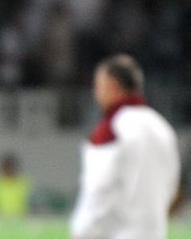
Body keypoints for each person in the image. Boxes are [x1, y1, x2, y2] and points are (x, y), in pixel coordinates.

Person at [70, 53, 181, 239]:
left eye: (98, 86)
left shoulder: (111, 129)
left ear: (112, 85)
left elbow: (98, 189)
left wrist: (82, 232)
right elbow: (172, 184)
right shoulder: (162, 127)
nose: (96, 93)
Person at [0, 152, 31, 219]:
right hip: (0, 219)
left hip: (22, 219)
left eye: (9, 168)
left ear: (15, 168)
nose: (8, 170)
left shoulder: (25, 183)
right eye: (5, 168)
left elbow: (31, 205)